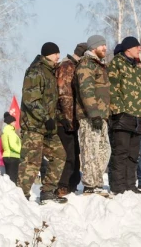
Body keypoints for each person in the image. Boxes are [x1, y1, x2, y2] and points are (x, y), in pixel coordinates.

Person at [17, 42, 67, 204]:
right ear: (47, 55)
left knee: (59, 155)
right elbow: (31, 100)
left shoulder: (50, 72)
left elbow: (51, 101)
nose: (58, 57)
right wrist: (47, 118)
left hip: (47, 127)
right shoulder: (35, 71)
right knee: (31, 161)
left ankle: (47, 191)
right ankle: (21, 197)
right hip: (34, 126)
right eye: (55, 54)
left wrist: (57, 118)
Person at [108, 37, 141, 195]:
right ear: (128, 49)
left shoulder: (137, 69)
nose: (140, 49)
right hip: (123, 117)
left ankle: (130, 186)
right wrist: (119, 111)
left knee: (133, 155)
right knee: (121, 153)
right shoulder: (116, 64)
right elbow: (112, 88)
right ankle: (118, 187)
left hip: (138, 117)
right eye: (137, 46)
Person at [76, 35, 111, 197]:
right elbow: (86, 90)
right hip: (89, 117)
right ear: (93, 47)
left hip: (101, 116)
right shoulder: (86, 64)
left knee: (104, 150)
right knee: (91, 150)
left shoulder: (99, 65)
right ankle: (90, 186)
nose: (105, 47)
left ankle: (97, 182)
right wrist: (94, 114)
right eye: (102, 45)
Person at [55, 42, 87, 197]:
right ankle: (63, 186)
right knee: (69, 155)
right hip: (65, 120)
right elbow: (65, 94)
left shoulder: (72, 66)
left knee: (74, 153)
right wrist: (69, 119)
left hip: (71, 119)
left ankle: (71, 184)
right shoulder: (68, 67)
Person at [1, 112, 21, 183]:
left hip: (7, 156)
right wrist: (21, 151)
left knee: (9, 179)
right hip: (13, 156)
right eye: (14, 121)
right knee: (13, 180)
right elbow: (13, 145)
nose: (15, 123)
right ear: (10, 122)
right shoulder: (10, 132)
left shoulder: (5, 131)